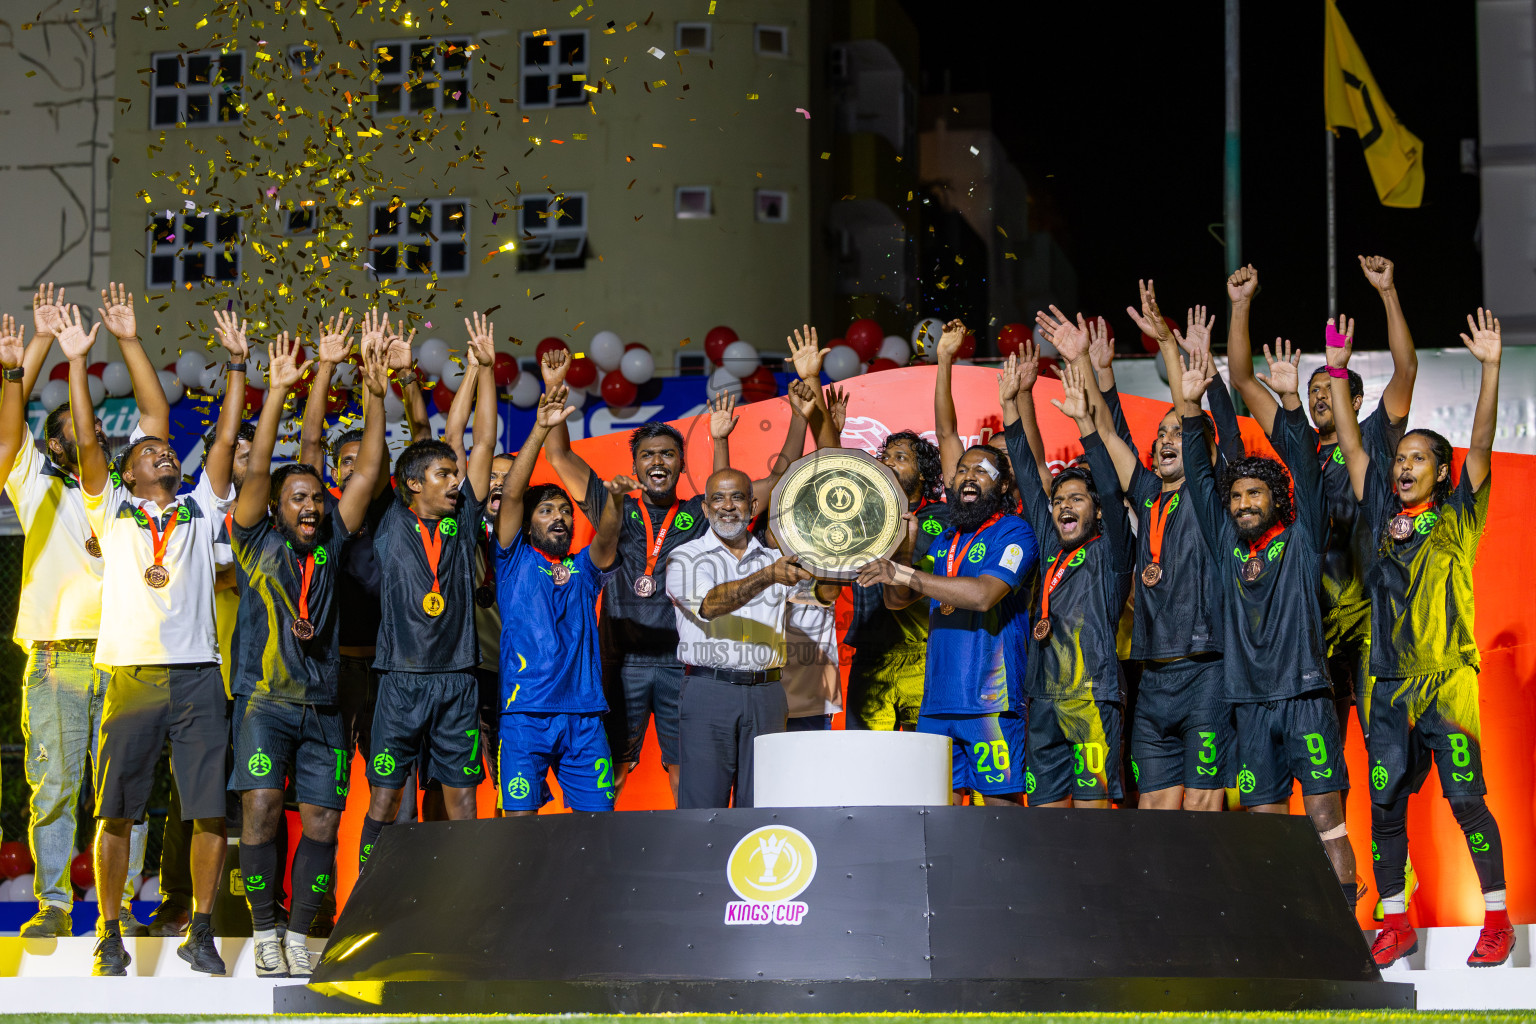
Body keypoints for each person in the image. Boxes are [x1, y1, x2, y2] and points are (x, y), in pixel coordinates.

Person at [541, 339, 806, 805]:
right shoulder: (614, 503)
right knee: (613, 772)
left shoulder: (702, 513)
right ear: (636, 465)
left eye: (667, 454)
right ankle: (604, 858)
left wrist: (795, 418)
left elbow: (776, 480)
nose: (657, 461)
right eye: (648, 455)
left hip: (681, 665)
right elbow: (562, 459)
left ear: (683, 464)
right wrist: (556, 390)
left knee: (688, 775)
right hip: (621, 661)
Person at [1328, 310, 1514, 968]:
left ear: (1441, 472)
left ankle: (1498, 920)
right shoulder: (1379, 519)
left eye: (1417, 458)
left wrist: (1491, 368)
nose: (1403, 465)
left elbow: (1484, 444)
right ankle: (1396, 921)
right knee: (1385, 807)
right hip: (1388, 689)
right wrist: (1335, 370)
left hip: (1448, 683)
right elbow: (1355, 449)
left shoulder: (1460, 519)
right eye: (1400, 456)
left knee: (1466, 800)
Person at [74, 304, 246, 975]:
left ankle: (199, 929)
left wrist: (236, 365)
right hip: (131, 674)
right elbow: (90, 439)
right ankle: (109, 932)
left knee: (208, 813)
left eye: (166, 447)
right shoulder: (111, 508)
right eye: (149, 452)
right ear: (129, 473)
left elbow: (226, 440)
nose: (163, 450)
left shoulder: (202, 509)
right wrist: (84, 357)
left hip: (199, 675)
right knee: (116, 812)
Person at [227, 330, 388, 977]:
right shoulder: (254, 540)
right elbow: (266, 461)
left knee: (322, 820)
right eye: (300, 497)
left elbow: (370, 467)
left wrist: (373, 390)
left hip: (323, 705)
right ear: (275, 505)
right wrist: (285, 388)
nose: (313, 505)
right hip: (265, 702)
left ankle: (299, 936)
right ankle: (264, 931)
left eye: (318, 497)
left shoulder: (334, 544)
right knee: (262, 809)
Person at [1179, 343, 1359, 910]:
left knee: (1327, 821)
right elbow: (1200, 478)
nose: (1241, 503)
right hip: (1249, 704)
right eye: (1236, 496)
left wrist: (1288, 399)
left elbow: (1306, 468)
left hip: (1305, 695)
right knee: (1268, 831)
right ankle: (1286, 937)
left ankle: (1347, 935)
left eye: (1254, 493)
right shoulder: (1225, 543)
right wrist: (1190, 410)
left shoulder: (1302, 541)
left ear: (1277, 500)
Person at [0, 285, 150, 937]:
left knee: (124, 796)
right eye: (66, 430)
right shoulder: (35, 484)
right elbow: (8, 427)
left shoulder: (125, 494)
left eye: (85, 429)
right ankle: (55, 905)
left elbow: (152, 413)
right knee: (56, 789)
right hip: (58, 661)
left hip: (123, 660)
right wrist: (31, 350)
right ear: (52, 444)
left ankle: (126, 911)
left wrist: (125, 340)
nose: (80, 435)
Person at [1225, 260, 1417, 742]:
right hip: (1314, 612)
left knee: (1385, 747)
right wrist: (1241, 305)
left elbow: (1407, 368)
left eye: (1328, 389)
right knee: (1319, 748)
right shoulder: (1300, 446)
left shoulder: (1376, 434)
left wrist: (1388, 293)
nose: (1318, 398)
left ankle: (1387, 820)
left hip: (1371, 609)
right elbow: (1245, 379)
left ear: (1354, 400)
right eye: (1312, 393)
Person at [358, 313, 499, 867]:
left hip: (458, 679)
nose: (455, 480)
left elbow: (482, 438)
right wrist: (394, 384)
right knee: (387, 799)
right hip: (401, 680)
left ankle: (459, 899)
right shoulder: (393, 520)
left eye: (454, 474)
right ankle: (370, 900)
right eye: (443, 474)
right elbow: (423, 443)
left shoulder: (462, 519)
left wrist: (482, 370)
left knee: (463, 799)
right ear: (413, 485)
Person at [1103, 283, 1244, 810]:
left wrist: (1168, 342)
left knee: (1203, 818)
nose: (1166, 439)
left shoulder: (1213, 501)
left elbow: (1195, 415)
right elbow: (1106, 437)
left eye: (1177, 433)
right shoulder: (1146, 495)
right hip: (1153, 674)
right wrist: (1093, 376)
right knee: (1156, 820)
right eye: (1158, 433)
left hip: (1207, 670)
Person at [858, 435, 1037, 806]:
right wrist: (905, 552)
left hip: (991, 701)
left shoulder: (1015, 532)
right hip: (937, 703)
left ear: (1003, 484)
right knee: (940, 819)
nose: (968, 476)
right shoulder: (946, 541)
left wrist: (906, 575)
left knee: (999, 819)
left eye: (981, 471)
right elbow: (897, 601)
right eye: (961, 470)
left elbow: (983, 595)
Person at [297, 312, 430, 787]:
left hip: (389, 666)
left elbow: (423, 442)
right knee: (325, 794)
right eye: (345, 463)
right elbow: (310, 444)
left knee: (392, 789)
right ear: (334, 473)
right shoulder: (319, 515)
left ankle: (394, 862)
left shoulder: (397, 509)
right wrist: (326, 368)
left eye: (364, 460)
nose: (356, 469)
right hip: (332, 667)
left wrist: (405, 378)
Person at [1005, 343, 1133, 810]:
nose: (1063, 506)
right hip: (1041, 696)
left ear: (1098, 510)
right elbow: (1023, 468)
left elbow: (1112, 485)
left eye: (1077, 499)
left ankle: (1101, 887)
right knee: (1045, 824)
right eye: (1060, 501)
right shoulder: (1051, 543)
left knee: (1093, 821)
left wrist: (1085, 426)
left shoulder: (1112, 549)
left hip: (1092, 696)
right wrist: (1011, 405)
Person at [666, 468, 834, 809]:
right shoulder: (685, 557)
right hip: (709, 692)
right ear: (704, 508)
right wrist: (768, 576)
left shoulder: (777, 559)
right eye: (718, 498)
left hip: (767, 695)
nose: (727, 506)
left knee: (762, 807)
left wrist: (837, 555)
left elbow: (823, 593)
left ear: (753, 505)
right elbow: (710, 605)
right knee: (702, 809)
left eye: (737, 497)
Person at [494, 385, 626, 813]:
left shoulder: (583, 570)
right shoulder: (513, 558)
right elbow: (512, 493)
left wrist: (616, 502)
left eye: (565, 510)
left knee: (598, 828)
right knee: (519, 829)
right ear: (528, 522)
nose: (560, 517)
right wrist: (540, 428)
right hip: (524, 715)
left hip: (585, 718)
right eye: (547, 511)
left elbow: (607, 537)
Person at [843, 427, 946, 732]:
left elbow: (908, 580)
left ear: (923, 473)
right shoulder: (858, 515)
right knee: (866, 765)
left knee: (926, 764)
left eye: (900, 458)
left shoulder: (941, 518)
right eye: (884, 457)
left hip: (924, 656)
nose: (888, 463)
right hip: (871, 655)